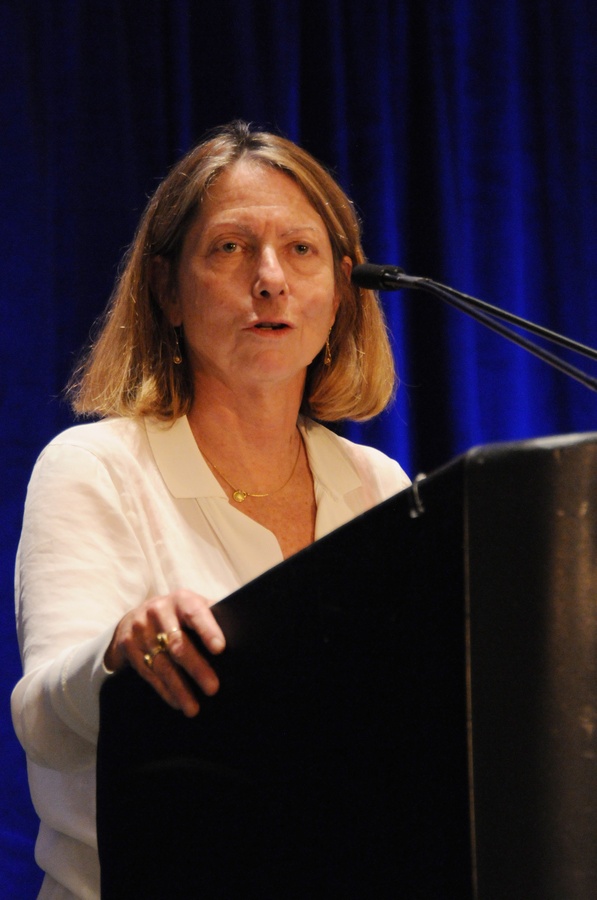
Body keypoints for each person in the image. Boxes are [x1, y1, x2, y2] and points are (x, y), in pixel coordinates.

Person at [11, 120, 410, 899]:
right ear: (166, 288)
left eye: (300, 249)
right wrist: (118, 654)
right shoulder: (95, 468)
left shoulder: (378, 487)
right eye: (230, 247)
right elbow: (42, 720)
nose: (270, 279)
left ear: (342, 288)